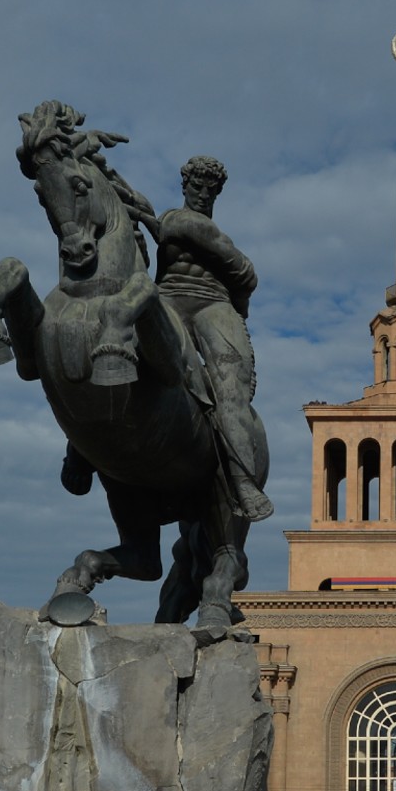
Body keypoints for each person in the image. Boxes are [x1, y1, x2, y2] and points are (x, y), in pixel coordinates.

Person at [145, 156, 273, 521]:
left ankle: (244, 482)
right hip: (168, 299)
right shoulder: (168, 219)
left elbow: (246, 274)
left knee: (230, 387)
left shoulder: (180, 222)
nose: (202, 194)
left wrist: (238, 309)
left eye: (210, 190)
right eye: (196, 187)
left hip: (212, 304)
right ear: (184, 186)